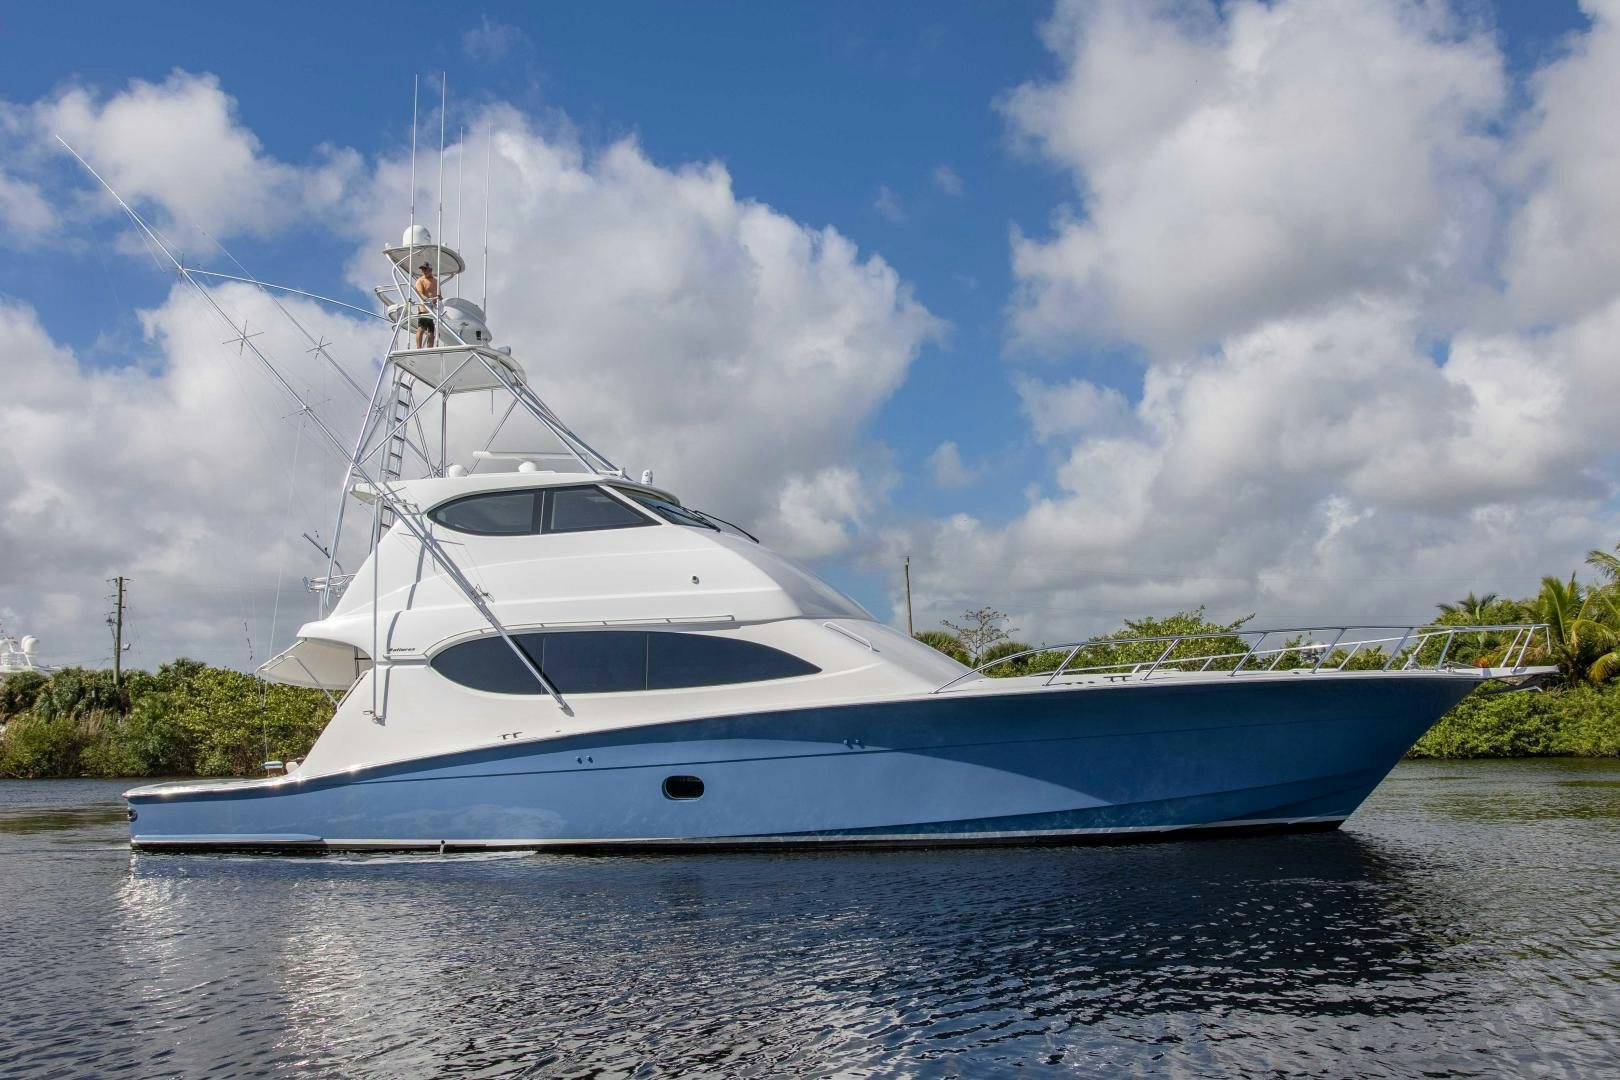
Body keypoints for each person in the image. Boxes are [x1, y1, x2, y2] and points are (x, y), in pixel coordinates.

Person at [413, 261, 439, 348]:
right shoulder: (420, 280)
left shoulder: (435, 281)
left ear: (430, 269)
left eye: (425, 269)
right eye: (422, 269)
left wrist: (437, 302)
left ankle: (429, 350)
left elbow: (438, 295)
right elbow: (419, 293)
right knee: (421, 328)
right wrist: (427, 300)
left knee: (432, 332)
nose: (423, 271)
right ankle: (418, 348)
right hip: (424, 309)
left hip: (432, 311)